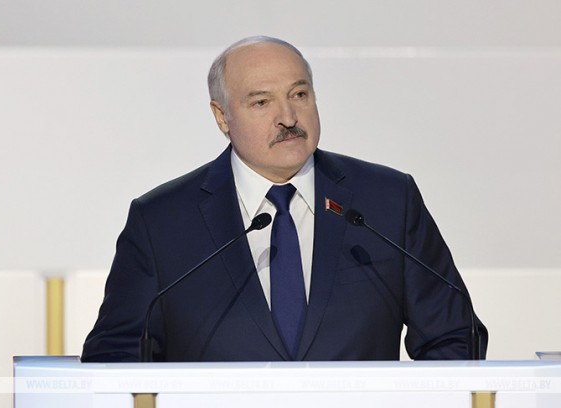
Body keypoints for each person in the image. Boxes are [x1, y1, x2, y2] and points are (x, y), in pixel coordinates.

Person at [81, 36, 487, 362]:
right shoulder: (161, 221)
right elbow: (116, 355)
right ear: (221, 117)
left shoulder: (387, 201)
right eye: (262, 102)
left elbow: (454, 337)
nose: (288, 118)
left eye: (299, 94)